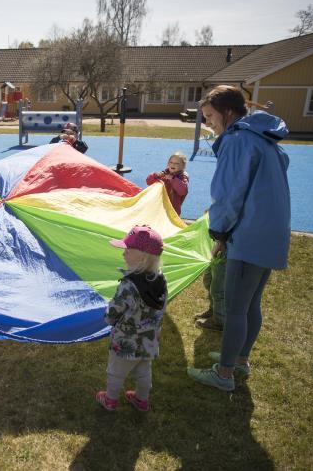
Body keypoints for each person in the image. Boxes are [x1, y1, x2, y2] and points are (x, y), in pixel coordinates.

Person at [188, 85, 290, 392]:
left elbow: (229, 193)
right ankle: (240, 359)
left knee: (235, 308)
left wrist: (220, 232)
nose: (208, 124)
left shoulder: (237, 139)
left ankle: (225, 374)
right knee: (250, 304)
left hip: (249, 233)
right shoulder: (264, 137)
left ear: (228, 112)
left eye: (209, 117)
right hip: (272, 230)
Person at [95, 225, 167, 412]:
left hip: (126, 341)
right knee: (144, 372)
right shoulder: (161, 281)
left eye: (127, 250)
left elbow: (114, 311)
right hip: (149, 340)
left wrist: (109, 319)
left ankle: (110, 399)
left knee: (116, 372)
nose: (123, 253)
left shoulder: (128, 285)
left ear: (142, 257)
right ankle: (141, 400)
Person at [194, 250, 226, 332]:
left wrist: (221, 242)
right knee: (208, 280)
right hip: (219, 246)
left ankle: (219, 321)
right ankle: (213, 310)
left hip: (227, 249)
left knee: (218, 290)